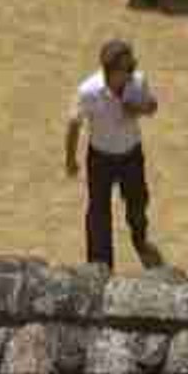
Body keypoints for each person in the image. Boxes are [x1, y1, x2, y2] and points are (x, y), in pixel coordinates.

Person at [65, 40, 163, 270]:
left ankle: (140, 239)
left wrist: (138, 108)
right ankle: (100, 264)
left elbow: (153, 106)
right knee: (99, 212)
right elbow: (73, 124)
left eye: (133, 66)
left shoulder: (137, 82)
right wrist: (70, 159)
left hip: (131, 154)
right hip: (100, 158)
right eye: (127, 69)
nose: (132, 73)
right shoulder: (89, 91)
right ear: (111, 71)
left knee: (138, 203)